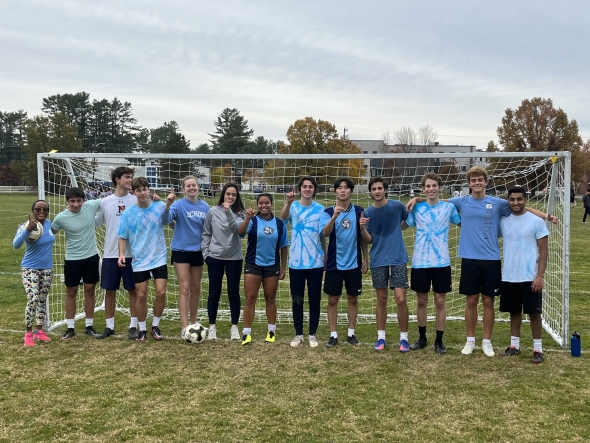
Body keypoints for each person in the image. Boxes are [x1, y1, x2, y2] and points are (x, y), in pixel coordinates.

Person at [407, 166, 556, 356]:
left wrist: (545, 216)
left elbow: (522, 207)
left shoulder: (497, 203)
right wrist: (416, 199)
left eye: (480, 180)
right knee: (471, 300)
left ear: (486, 182)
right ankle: (470, 341)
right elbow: (436, 199)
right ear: (469, 184)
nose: (477, 183)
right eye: (473, 180)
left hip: (491, 259)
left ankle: (487, 341)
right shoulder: (461, 202)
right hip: (469, 258)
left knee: (488, 300)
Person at [402, 173, 460, 354]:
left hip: (441, 262)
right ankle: (422, 338)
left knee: (440, 300)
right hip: (420, 262)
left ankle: (439, 340)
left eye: (434, 185)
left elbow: (463, 223)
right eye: (428, 186)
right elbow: (404, 226)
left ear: (440, 187)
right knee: (421, 300)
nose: (431, 189)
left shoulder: (449, 208)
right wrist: (401, 213)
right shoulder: (417, 208)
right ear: (423, 189)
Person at [498, 187, 549, 363]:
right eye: (512, 200)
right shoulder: (503, 221)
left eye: (519, 199)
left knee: (534, 314)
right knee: (514, 312)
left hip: (530, 277)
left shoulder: (536, 222)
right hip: (509, 276)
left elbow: (544, 251)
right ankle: (514, 346)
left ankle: (538, 349)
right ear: (508, 201)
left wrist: (539, 275)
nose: (516, 203)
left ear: (525, 199)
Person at [118, 177, 171, 342]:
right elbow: (122, 237)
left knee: (161, 292)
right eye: (139, 190)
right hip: (140, 260)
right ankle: (142, 328)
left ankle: (155, 325)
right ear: (133, 192)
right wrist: (121, 254)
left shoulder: (159, 206)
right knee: (141, 295)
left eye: (145, 189)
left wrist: (168, 204)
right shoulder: (128, 213)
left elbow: (169, 221)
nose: (142, 193)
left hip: (159, 257)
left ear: (149, 190)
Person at [360, 177, 410, 352]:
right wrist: (362, 228)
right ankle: (381, 337)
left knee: (401, 299)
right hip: (378, 260)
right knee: (381, 300)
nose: (377, 191)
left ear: (385, 190)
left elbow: (407, 221)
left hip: (398, 258)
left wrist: (399, 229)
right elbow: (369, 239)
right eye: (374, 189)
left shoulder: (397, 206)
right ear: (371, 192)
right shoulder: (367, 213)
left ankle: (404, 339)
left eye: (380, 188)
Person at [320, 178, 368, 348]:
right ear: (335, 192)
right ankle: (333, 335)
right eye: (339, 188)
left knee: (352, 298)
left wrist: (366, 259)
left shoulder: (359, 211)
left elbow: (364, 239)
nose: (343, 191)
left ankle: (351, 333)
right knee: (332, 300)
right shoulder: (327, 212)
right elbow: (325, 233)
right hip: (334, 264)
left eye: (346, 188)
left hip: (354, 263)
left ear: (351, 192)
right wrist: (333, 218)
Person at [94, 166, 140, 339]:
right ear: (117, 179)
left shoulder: (136, 200)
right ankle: (109, 326)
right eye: (127, 177)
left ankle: (133, 326)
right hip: (110, 254)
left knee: (133, 290)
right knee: (110, 290)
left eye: (131, 177)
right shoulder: (105, 202)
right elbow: (96, 223)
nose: (130, 180)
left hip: (133, 254)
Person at [238, 193, 289, 345]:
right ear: (257, 204)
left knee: (270, 298)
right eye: (261, 203)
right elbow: (240, 233)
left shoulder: (280, 224)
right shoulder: (252, 221)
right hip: (253, 264)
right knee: (250, 298)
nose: (264, 206)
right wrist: (247, 218)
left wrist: (283, 267)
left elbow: (284, 246)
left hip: (272, 266)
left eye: (266, 203)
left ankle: (271, 331)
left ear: (271, 204)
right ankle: (246, 333)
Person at [51, 187, 102, 340]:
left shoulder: (91, 206)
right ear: (67, 202)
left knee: (90, 291)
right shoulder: (61, 218)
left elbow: (112, 200)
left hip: (92, 257)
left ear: (83, 200)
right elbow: (50, 232)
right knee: (71, 292)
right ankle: (70, 327)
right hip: (72, 259)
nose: (75, 204)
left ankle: (89, 326)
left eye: (78, 201)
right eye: (72, 201)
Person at [281, 176, 325, 348]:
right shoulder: (293, 207)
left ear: (314, 190)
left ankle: (312, 334)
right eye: (304, 186)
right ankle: (298, 334)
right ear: (300, 189)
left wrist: (326, 253)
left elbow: (322, 234)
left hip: (316, 262)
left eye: (310, 187)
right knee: (297, 299)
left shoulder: (321, 209)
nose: (307, 189)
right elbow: (283, 218)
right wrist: (288, 202)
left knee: (315, 299)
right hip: (297, 262)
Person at [162, 177, 209, 337]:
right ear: (183, 189)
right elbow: (166, 221)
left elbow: (208, 228)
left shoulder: (205, 206)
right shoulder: (178, 204)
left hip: (198, 251)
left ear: (198, 187)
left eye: (193, 185)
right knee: (185, 287)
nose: (191, 188)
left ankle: (194, 323)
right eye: (188, 186)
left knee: (196, 288)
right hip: (181, 250)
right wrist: (168, 204)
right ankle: (184, 327)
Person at [202, 183, 245, 341]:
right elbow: (206, 233)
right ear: (223, 195)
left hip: (234, 258)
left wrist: (228, 212)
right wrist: (206, 254)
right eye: (228, 194)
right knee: (214, 293)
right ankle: (212, 327)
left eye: (234, 195)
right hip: (215, 258)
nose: (231, 197)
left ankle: (234, 327)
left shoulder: (241, 214)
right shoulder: (212, 212)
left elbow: (237, 231)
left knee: (233, 293)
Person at [13, 200, 55, 346]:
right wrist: (26, 230)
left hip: (47, 268)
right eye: (38, 209)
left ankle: (39, 331)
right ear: (33, 211)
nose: (41, 212)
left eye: (45, 209)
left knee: (43, 299)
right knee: (33, 298)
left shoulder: (49, 224)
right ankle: (28, 333)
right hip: (30, 268)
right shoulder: (26, 226)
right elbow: (16, 245)